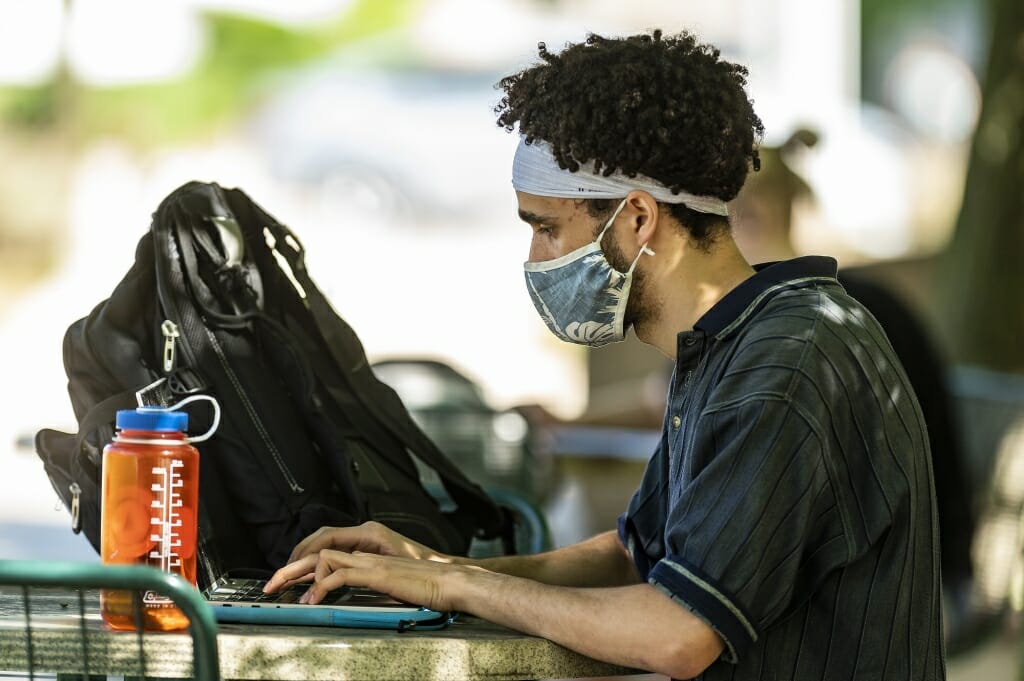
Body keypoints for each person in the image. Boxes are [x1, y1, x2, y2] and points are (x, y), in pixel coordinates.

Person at [265, 30, 945, 680]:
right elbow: (633, 557)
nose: (536, 259)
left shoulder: (789, 363)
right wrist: (427, 563)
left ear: (640, 218)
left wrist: (449, 583)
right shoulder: (731, 345)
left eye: (548, 228)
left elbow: (677, 631)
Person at [730, 130, 978, 651]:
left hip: (907, 592)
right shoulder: (804, 309)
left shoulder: (790, 323)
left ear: (746, 214)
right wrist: (565, 422)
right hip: (915, 571)